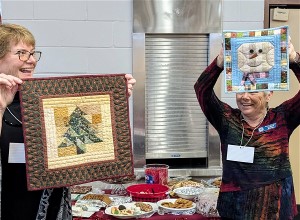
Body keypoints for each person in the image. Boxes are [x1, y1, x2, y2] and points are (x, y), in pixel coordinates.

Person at [0, 23, 136, 220]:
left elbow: (81, 143)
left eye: (32, 53)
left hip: (50, 209)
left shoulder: (40, 100)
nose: (31, 60)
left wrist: (112, 104)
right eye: (21, 53)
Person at [194, 37, 300, 219]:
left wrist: (294, 60)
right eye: (240, 91)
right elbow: (201, 90)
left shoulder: (282, 117)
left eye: (252, 91)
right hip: (235, 209)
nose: (245, 97)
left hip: (276, 209)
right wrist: (218, 64)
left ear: (269, 94)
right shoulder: (227, 119)